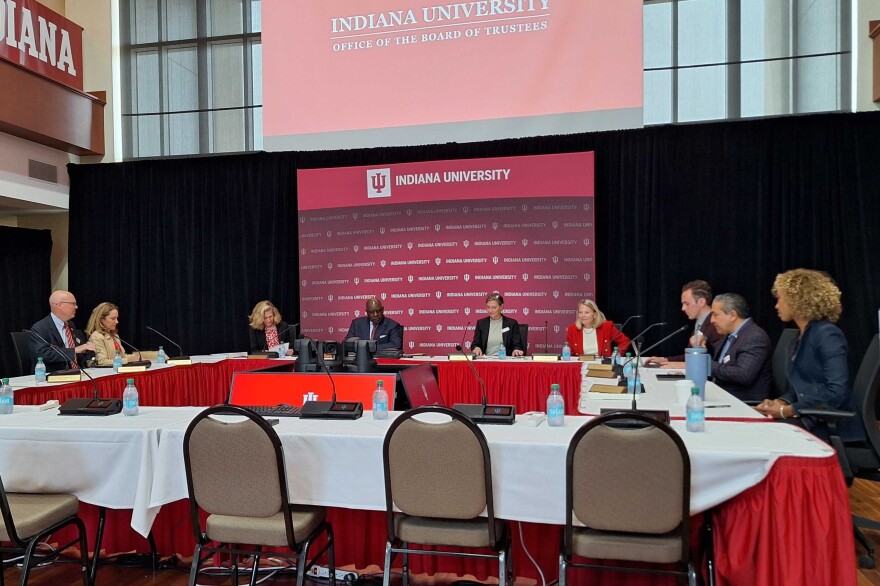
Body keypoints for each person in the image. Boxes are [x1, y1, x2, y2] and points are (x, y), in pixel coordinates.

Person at [755, 269, 863, 442]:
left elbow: (836, 392)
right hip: (810, 418)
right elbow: (804, 387)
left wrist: (788, 411)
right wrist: (780, 402)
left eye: (780, 299)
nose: (777, 305)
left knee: (765, 436)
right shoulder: (800, 337)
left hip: (831, 427)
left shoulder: (827, 334)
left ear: (797, 300)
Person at [707, 293, 773, 401]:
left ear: (732, 315)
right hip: (722, 397)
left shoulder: (754, 337)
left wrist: (705, 364)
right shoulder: (728, 335)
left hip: (742, 403)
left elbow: (743, 375)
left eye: (715, 315)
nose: (711, 320)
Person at [646, 279, 725, 365]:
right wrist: (665, 360)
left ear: (701, 302)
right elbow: (690, 356)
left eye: (687, 304)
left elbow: (711, 361)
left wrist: (676, 366)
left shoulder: (715, 325)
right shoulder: (700, 323)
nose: (683, 308)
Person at [28, 290, 95, 372]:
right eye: (73, 304)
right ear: (59, 305)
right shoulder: (40, 328)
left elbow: (79, 350)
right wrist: (74, 350)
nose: (76, 307)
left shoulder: (70, 325)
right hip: (52, 375)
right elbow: (43, 355)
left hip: (75, 373)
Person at [565, 299, 630, 357]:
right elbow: (569, 352)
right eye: (580, 312)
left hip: (602, 365)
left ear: (595, 314)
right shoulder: (572, 329)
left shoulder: (607, 327)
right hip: (581, 365)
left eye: (587, 312)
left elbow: (625, 341)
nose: (583, 316)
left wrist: (616, 355)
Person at [471, 292, 524, 357]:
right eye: (488, 307)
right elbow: (475, 344)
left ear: (501, 307)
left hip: (506, 361)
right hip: (486, 360)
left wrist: (516, 350)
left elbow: (517, 345)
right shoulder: (481, 323)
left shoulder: (511, 323)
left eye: (494, 307)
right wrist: (476, 347)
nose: (490, 310)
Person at [85, 302, 135, 366]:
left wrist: (137, 357)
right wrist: (128, 360)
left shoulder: (115, 336)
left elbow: (122, 357)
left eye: (117, 318)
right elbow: (102, 362)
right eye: (113, 318)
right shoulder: (96, 336)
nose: (117, 322)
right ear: (101, 319)